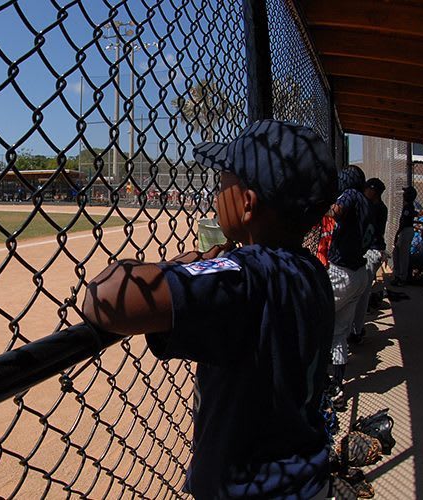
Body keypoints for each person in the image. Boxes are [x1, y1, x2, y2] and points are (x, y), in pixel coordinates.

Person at [82, 120, 337, 499]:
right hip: (304, 477)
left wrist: (180, 269)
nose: (217, 193)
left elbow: (105, 296)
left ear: (247, 203)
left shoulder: (245, 277)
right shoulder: (308, 271)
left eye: (223, 181)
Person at [324, 165, 370, 412]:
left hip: (342, 273)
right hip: (358, 274)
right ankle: (337, 385)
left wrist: (322, 202)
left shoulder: (351, 194)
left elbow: (337, 211)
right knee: (340, 331)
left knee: (318, 319)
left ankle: (318, 379)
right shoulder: (364, 200)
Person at [350, 178, 387, 344]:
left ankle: (356, 331)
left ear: (373, 191)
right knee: (359, 293)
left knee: (361, 295)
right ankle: (356, 328)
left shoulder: (375, 207)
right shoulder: (376, 207)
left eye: (367, 189)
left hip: (371, 252)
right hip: (372, 252)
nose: (365, 192)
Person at [392, 187, 417, 286]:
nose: (403, 195)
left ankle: (402, 278)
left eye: (405, 193)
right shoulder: (408, 206)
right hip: (405, 231)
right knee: (397, 253)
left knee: (403, 255)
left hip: (405, 231)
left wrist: (397, 233)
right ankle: (398, 275)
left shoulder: (408, 207)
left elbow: (404, 223)